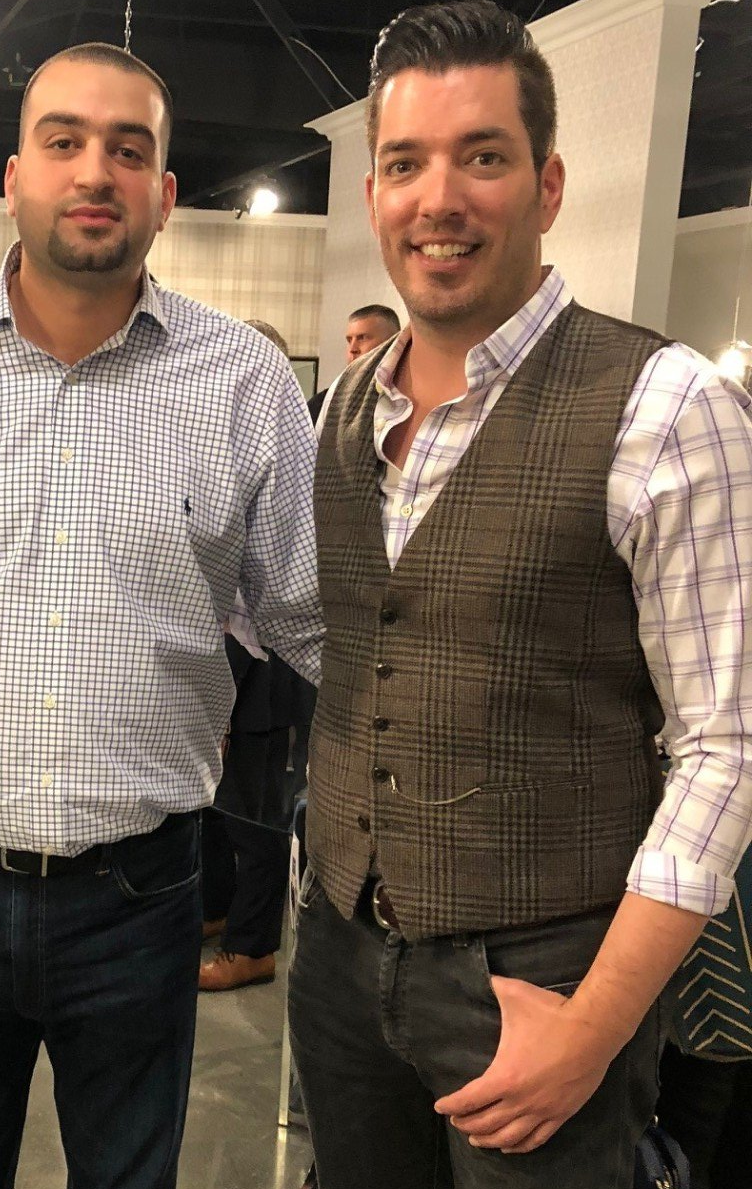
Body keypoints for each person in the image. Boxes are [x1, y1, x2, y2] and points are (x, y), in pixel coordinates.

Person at [0, 41, 321, 1189]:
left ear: (165, 195)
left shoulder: (244, 384)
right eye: (65, 141)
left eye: (129, 149)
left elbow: (313, 620)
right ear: (13, 177)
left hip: (141, 902)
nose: (95, 170)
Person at [288, 4, 752, 1188]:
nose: (437, 197)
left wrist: (594, 1027)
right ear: (377, 190)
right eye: (405, 162)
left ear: (546, 185)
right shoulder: (346, 408)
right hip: (343, 964)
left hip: (545, 978)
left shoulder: (663, 405)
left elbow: (724, 748)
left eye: (481, 155)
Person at [200, 320, 317, 993]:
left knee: (257, 815)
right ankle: (218, 911)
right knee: (217, 808)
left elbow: (289, 588)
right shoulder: (212, 441)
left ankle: (252, 946)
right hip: (226, 656)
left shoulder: (297, 449)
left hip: (271, 664)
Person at [309, 304, 401, 423]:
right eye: (349, 340)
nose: (352, 349)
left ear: (393, 341)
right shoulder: (324, 402)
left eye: (362, 338)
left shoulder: (412, 399)